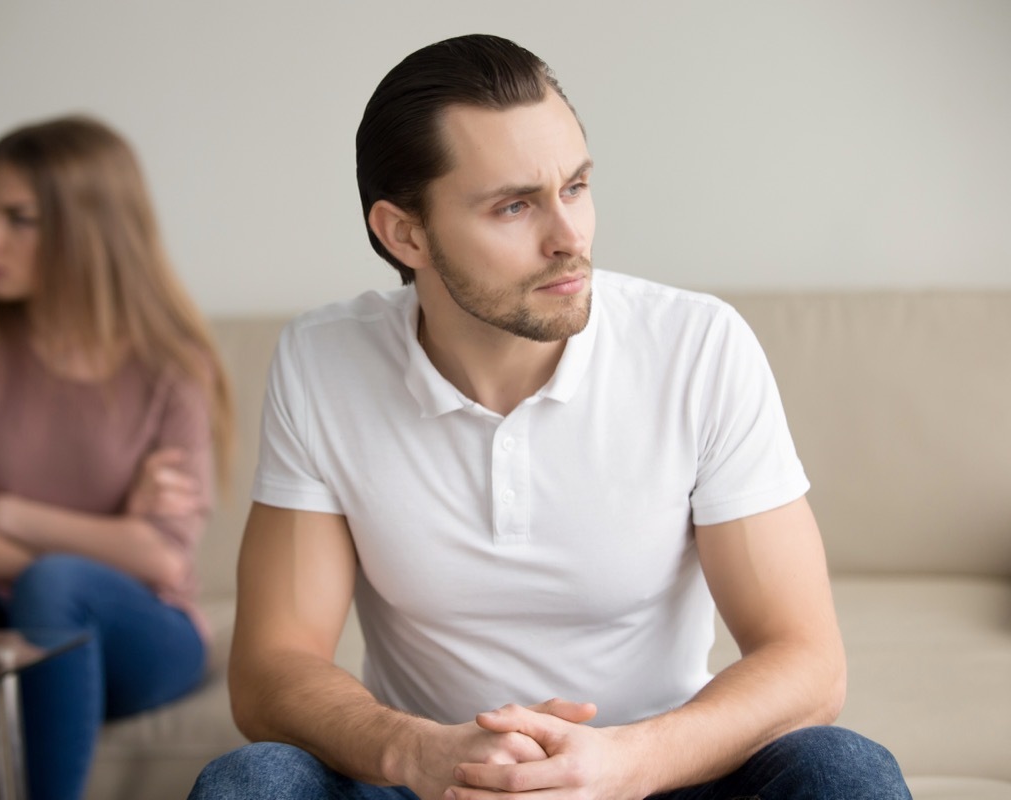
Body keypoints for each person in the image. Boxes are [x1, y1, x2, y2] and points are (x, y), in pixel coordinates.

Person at [188, 33, 912, 800]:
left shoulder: (698, 346)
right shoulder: (323, 361)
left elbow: (807, 663)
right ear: (404, 233)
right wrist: (419, 754)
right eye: (514, 206)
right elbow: (271, 669)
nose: (570, 239)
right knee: (252, 781)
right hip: (434, 780)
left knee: (843, 769)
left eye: (575, 187)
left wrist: (625, 763)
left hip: (654, 775)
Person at [0, 115, 232, 800]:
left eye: (18, 218)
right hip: (1, 630)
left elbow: (163, 561)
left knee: (57, 586)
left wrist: (4, 512)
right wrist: (117, 537)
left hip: (142, 634)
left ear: (89, 231)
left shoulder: (172, 367)